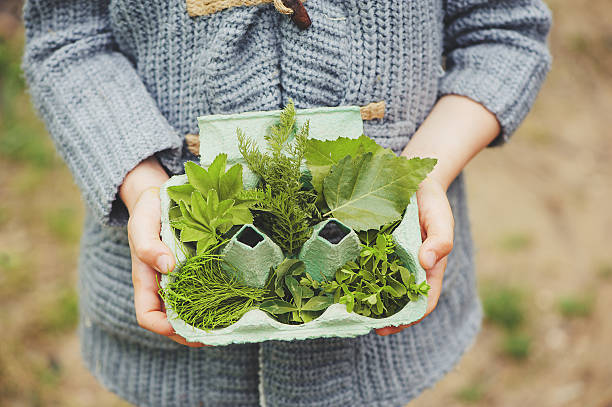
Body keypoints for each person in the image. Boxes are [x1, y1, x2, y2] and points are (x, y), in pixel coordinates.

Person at [22, 0, 552, 406]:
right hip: (175, 322)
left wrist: (413, 176)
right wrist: (142, 186)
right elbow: (67, 39)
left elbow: (502, 31)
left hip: (378, 333)